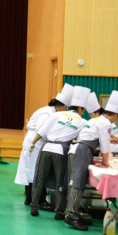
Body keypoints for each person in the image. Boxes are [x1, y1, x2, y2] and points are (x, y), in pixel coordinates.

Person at [29, 86, 90, 218]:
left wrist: (33, 143)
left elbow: (42, 131)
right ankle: (60, 211)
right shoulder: (83, 122)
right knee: (61, 181)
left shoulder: (56, 115)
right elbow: (83, 139)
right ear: (80, 109)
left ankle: (34, 206)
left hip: (46, 148)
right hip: (61, 151)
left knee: (39, 178)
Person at [64, 91, 118, 230]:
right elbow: (105, 146)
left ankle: (73, 213)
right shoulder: (106, 123)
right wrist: (107, 164)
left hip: (79, 149)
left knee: (76, 182)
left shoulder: (96, 120)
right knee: (77, 183)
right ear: (115, 115)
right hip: (83, 150)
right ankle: (71, 215)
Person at [14, 84, 73, 205]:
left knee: (35, 170)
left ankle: (33, 198)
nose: (65, 110)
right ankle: (34, 199)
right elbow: (42, 130)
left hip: (39, 143)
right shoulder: (47, 113)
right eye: (65, 107)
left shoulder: (52, 112)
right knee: (35, 171)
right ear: (59, 105)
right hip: (35, 143)